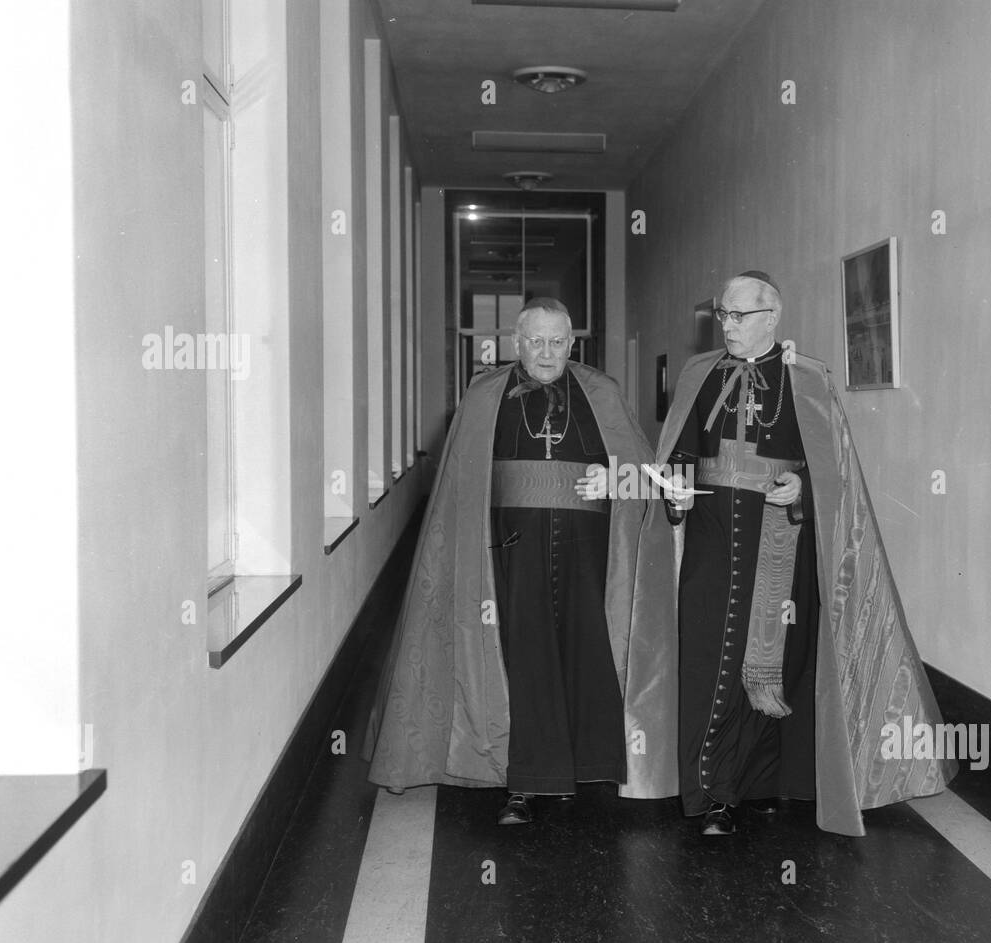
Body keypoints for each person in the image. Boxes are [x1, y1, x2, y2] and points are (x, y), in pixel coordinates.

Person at [631, 271, 956, 836]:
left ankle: (763, 783)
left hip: (782, 542)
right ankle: (716, 794)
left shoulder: (807, 381)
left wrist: (803, 485)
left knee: (778, 665)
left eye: (740, 316)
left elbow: (833, 469)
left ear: (771, 318)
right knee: (711, 665)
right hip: (711, 544)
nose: (728, 326)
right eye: (723, 316)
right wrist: (675, 488)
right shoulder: (698, 375)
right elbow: (679, 451)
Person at [363, 297, 676, 824]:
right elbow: (460, 491)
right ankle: (525, 783)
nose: (547, 352)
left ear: (572, 343)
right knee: (523, 661)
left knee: (584, 652)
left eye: (558, 341)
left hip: (589, 554)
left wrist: (615, 479)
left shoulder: (602, 392)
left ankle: (588, 764)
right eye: (536, 341)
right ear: (517, 342)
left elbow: (651, 477)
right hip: (510, 552)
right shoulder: (486, 395)